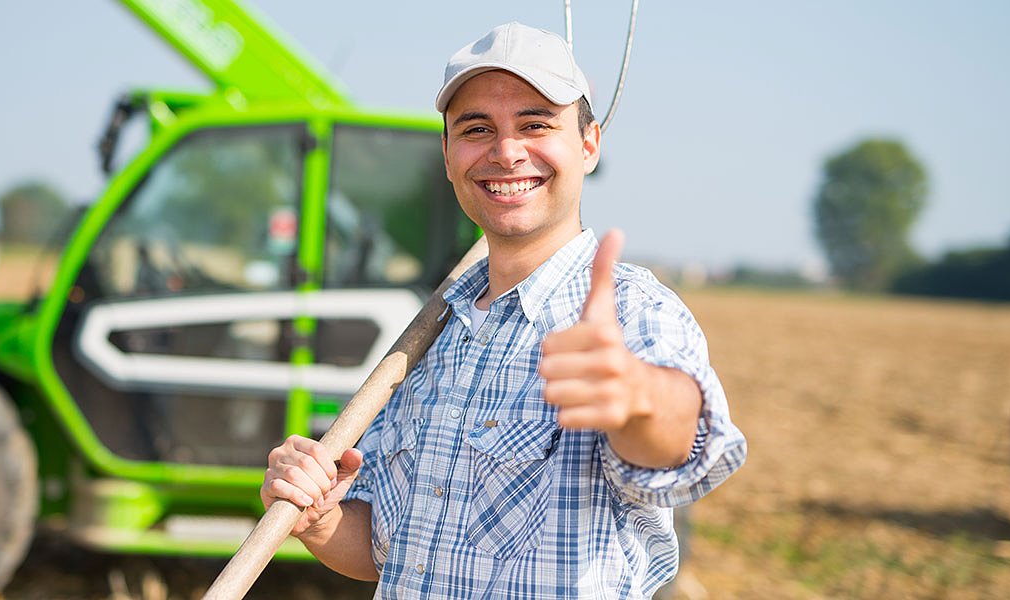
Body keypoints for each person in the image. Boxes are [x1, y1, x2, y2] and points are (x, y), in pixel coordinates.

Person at [261, 21, 747, 598]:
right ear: (447, 154)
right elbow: (389, 550)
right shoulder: (435, 329)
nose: (506, 151)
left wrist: (637, 396)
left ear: (589, 145)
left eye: (536, 124)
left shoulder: (630, 312)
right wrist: (317, 519)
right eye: (476, 128)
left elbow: (681, 442)